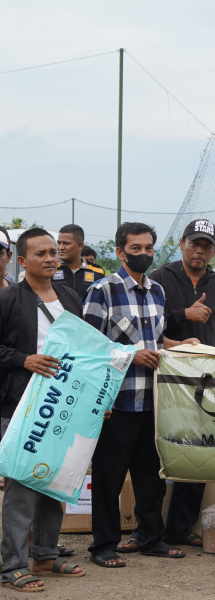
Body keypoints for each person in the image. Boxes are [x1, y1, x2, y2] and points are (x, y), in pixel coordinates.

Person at [84, 223, 192, 568]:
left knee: (151, 475)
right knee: (108, 477)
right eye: (136, 248)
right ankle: (103, 545)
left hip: (152, 401)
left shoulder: (157, 291)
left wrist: (179, 346)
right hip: (116, 402)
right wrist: (131, 355)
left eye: (149, 248)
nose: (143, 254)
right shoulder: (103, 291)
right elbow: (88, 348)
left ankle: (150, 537)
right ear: (119, 252)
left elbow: (156, 340)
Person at [0, 229, 86, 591]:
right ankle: (12, 567)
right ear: (22, 261)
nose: (51, 258)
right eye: (41, 253)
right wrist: (25, 360)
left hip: (62, 405)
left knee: (54, 483)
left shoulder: (69, 297)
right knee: (21, 489)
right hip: (20, 406)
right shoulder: (8, 300)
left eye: (54, 252)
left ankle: (46, 556)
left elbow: (83, 351)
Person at [143, 219, 215, 549]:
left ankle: (180, 528)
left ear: (214, 251)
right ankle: (146, 530)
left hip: (202, 382)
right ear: (181, 244)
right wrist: (183, 315)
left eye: (207, 245)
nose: (200, 250)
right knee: (153, 452)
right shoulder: (159, 279)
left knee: (200, 451)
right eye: (194, 243)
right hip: (162, 376)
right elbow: (146, 327)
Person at [56, 224, 106, 299]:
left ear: (80, 245)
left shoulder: (98, 272)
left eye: (66, 243)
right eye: (59, 243)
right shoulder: (50, 270)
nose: (61, 247)